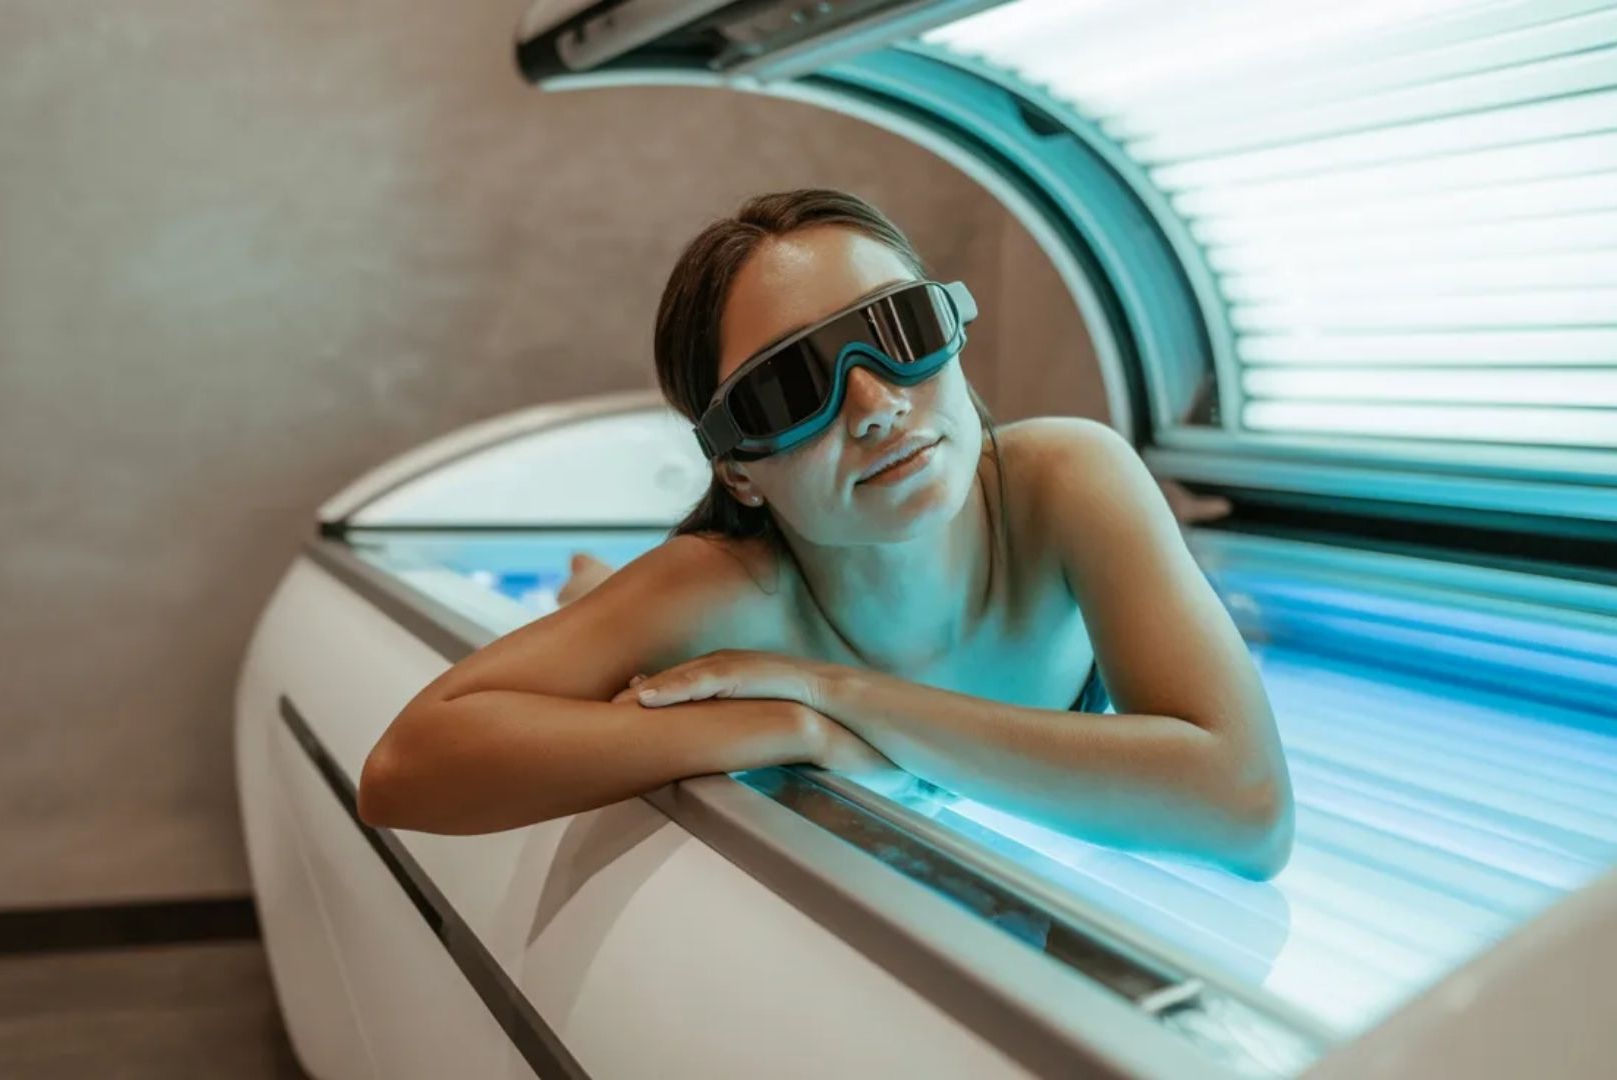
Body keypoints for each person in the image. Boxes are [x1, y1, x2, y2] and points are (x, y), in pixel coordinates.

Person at [359, 188, 1293, 879]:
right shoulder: (729, 586)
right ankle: (592, 592)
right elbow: (405, 769)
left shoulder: (1067, 480)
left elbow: (1248, 813)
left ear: (953, 328)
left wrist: (838, 692)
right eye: (791, 388)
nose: (879, 404)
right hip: (708, 611)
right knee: (610, 614)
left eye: (901, 327)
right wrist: (782, 726)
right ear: (737, 470)